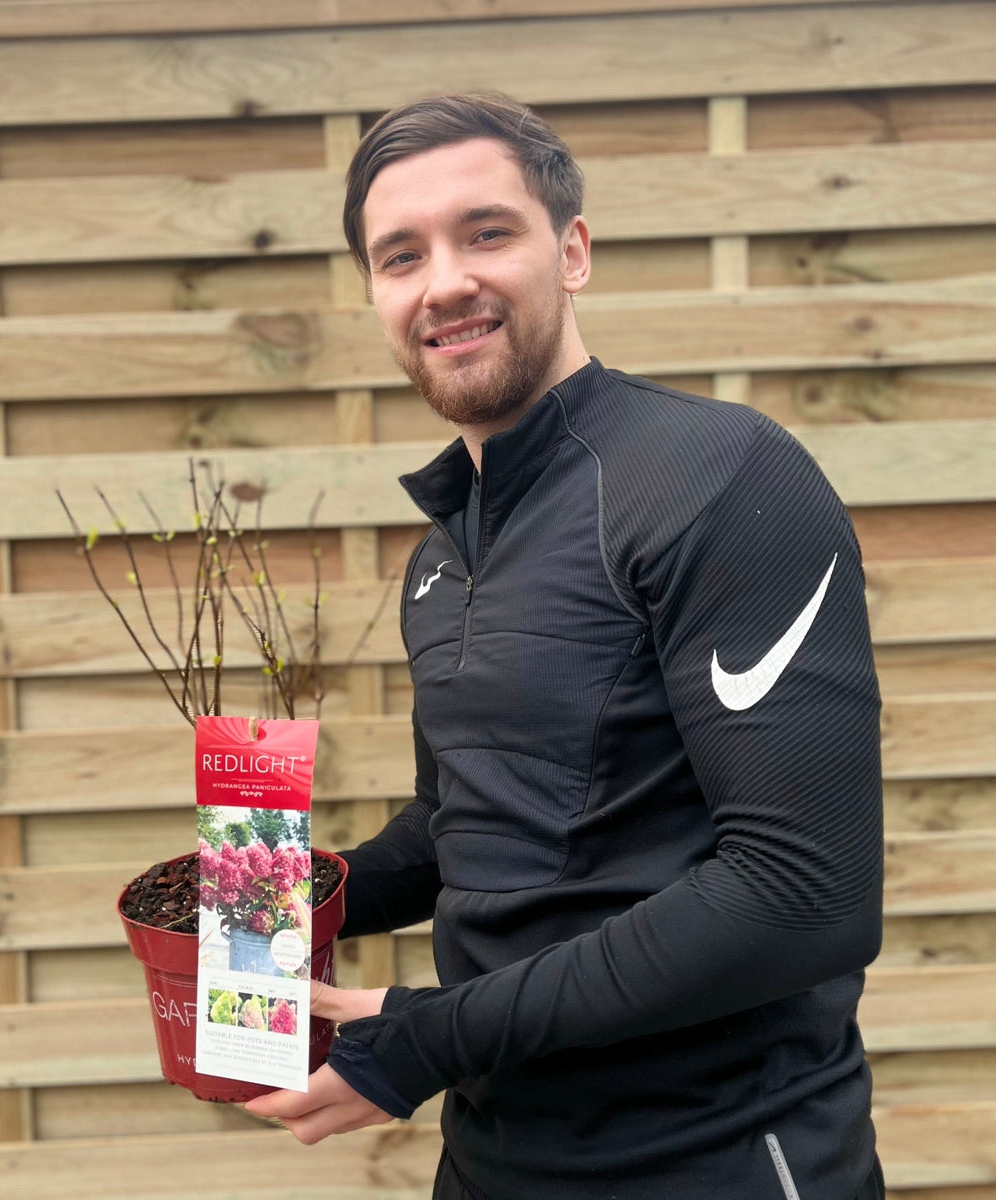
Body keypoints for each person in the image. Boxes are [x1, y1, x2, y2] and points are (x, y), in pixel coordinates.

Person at [246, 93, 886, 1200]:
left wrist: (429, 1037)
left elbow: (802, 893)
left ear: (572, 252)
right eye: (402, 256)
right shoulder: (444, 554)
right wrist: (286, 893)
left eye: (486, 233)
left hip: (720, 1161)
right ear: (377, 295)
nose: (445, 281)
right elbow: (469, 826)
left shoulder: (719, 477)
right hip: (494, 1159)